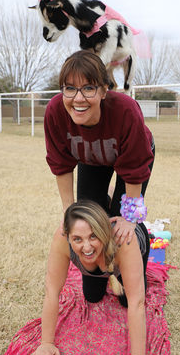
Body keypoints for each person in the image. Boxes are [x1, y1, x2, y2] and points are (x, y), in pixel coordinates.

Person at [26, 200, 150, 355]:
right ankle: (107, 199)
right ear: (67, 237)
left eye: (93, 237)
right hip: (101, 261)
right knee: (91, 296)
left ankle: (110, 200)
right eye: (77, 239)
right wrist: (46, 343)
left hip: (130, 245)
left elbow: (137, 303)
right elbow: (51, 291)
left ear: (104, 233)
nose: (86, 247)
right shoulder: (61, 240)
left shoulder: (124, 243)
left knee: (127, 300)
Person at [44, 50, 155, 245]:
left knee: (121, 228)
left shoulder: (126, 110)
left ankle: (133, 271)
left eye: (88, 88)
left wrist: (130, 218)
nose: (78, 98)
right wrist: (68, 211)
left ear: (104, 90)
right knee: (87, 219)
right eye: (70, 88)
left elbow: (134, 168)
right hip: (91, 157)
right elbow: (61, 164)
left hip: (131, 157)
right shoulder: (55, 112)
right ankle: (95, 274)